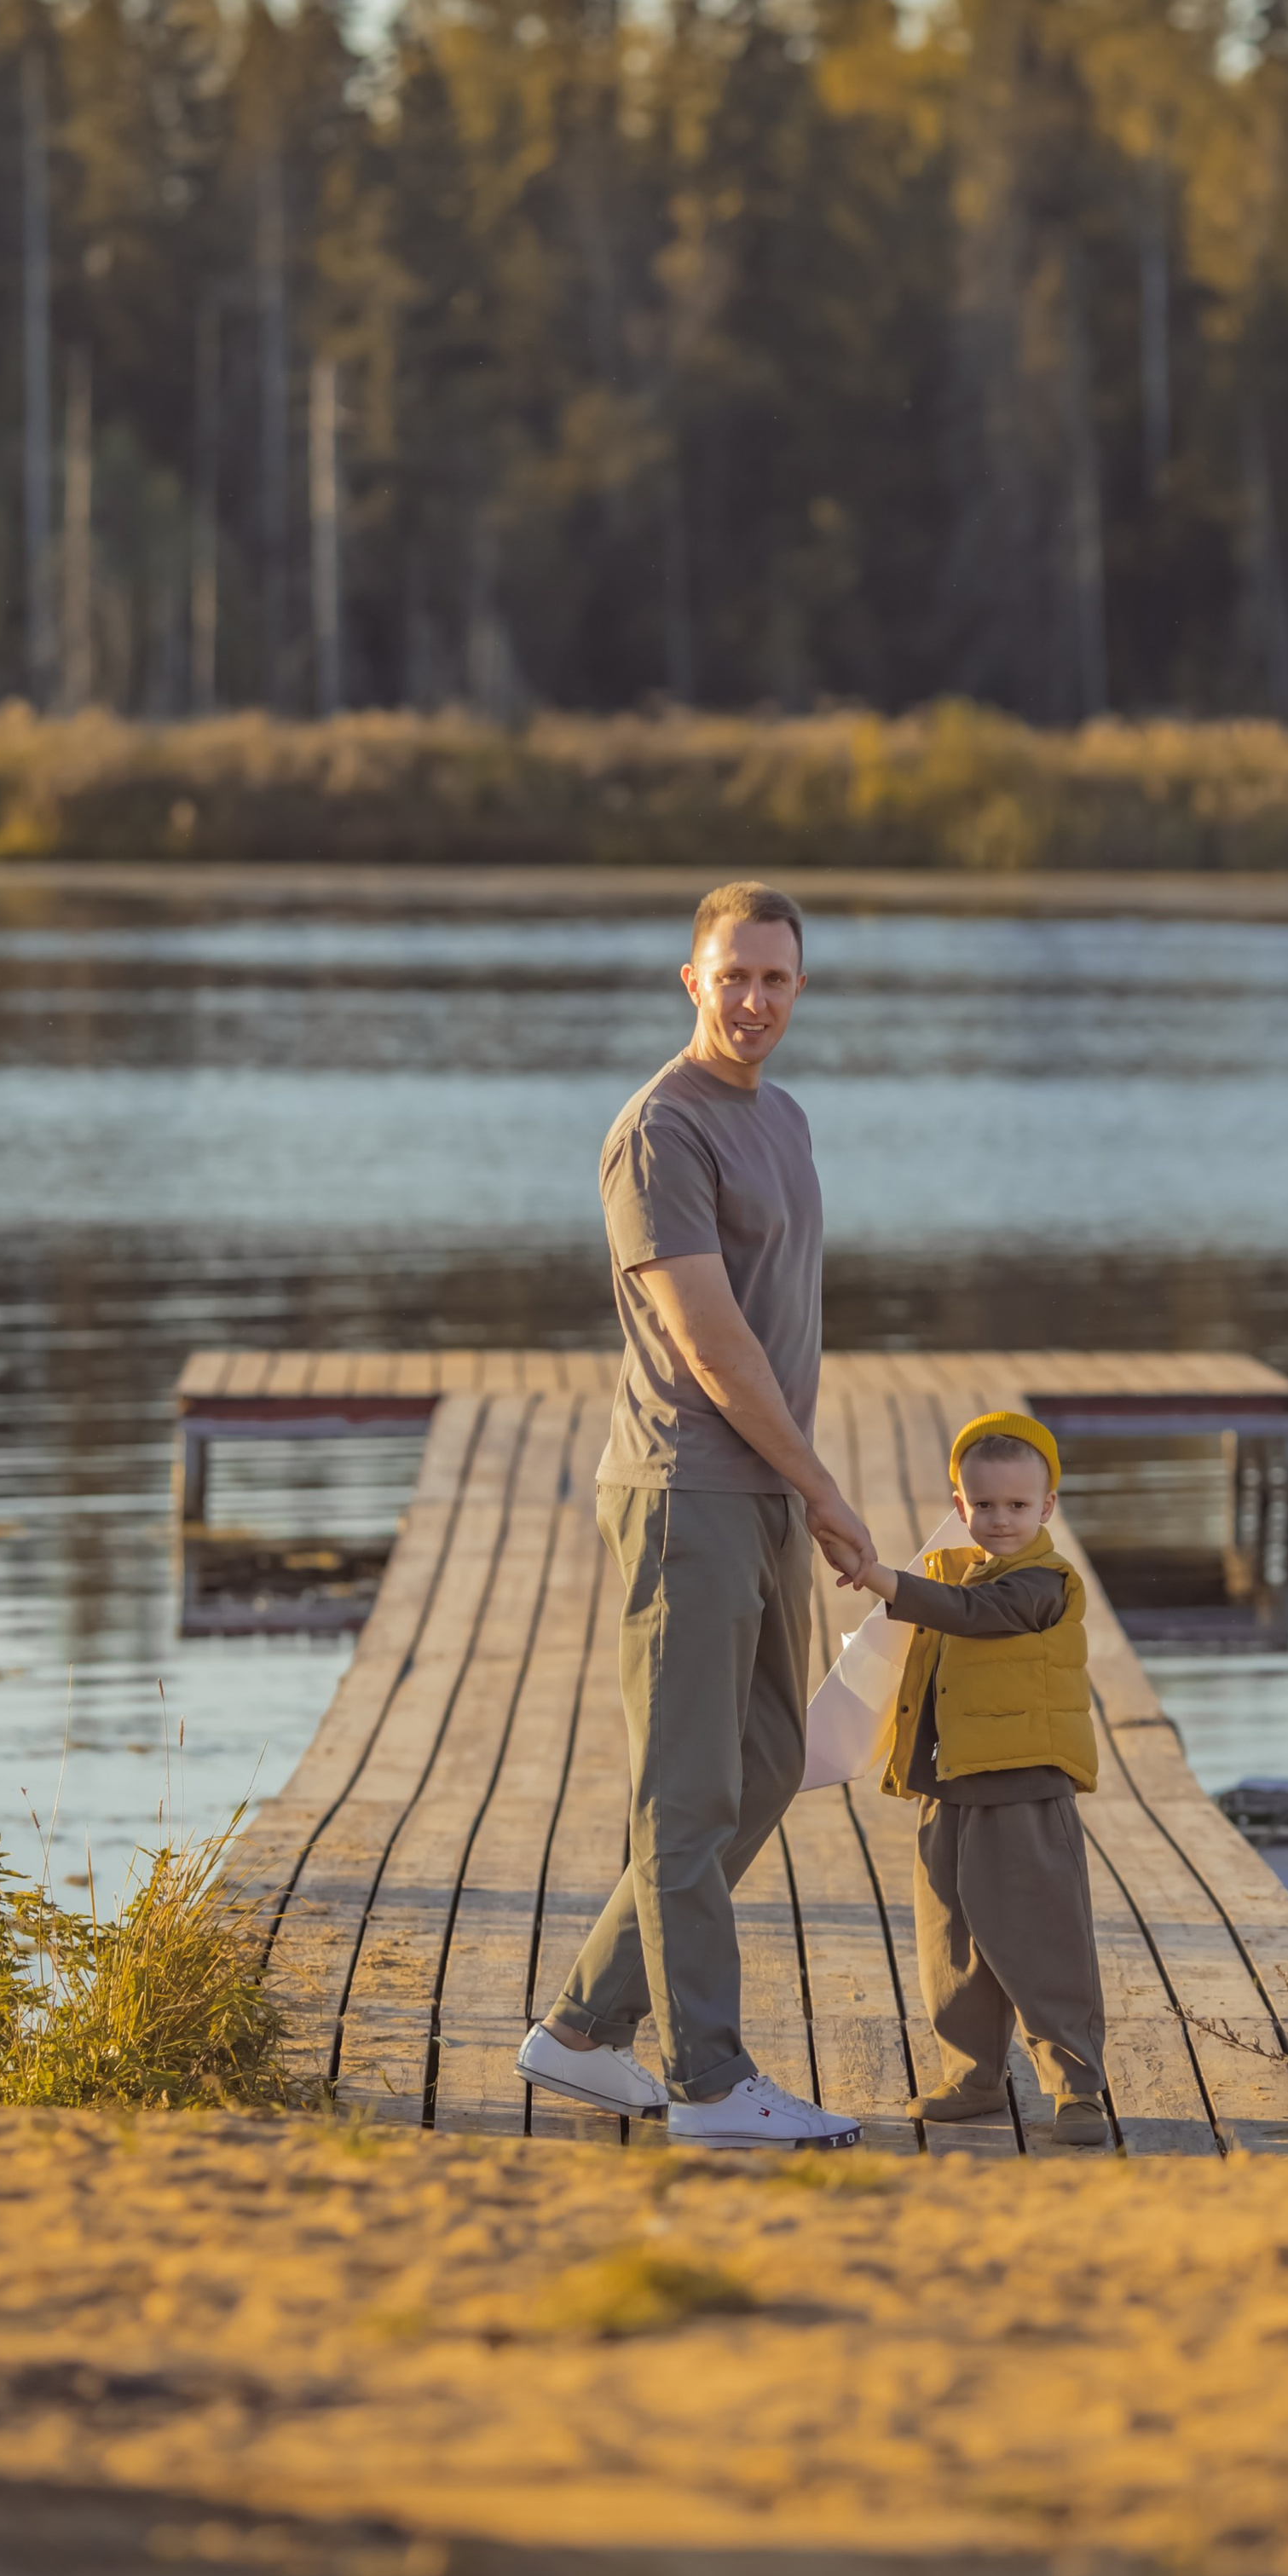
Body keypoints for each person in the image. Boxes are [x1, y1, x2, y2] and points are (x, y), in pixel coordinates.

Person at [517, 880, 875, 2149]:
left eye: (778, 979)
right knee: (685, 1798)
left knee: (772, 1764)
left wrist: (803, 1487)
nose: (757, 1000)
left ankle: (576, 2031)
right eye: (735, 976)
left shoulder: (782, 1116)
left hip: (765, 1493)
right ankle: (710, 2083)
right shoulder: (658, 1132)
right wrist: (827, 1490)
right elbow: (716, 1345)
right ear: (691, 979)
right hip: (685, 1494)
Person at [841, 1412, 1112, 2147]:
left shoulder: (1044, 1583)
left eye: (1017, 1506)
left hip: (1024, 1790)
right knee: (950, 1942)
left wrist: (879, 1578)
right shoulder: (948, 1571)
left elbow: (976, 1615)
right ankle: (973, 2075)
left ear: (1047, 1507)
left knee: (1042, 1937)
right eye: (983, 1504)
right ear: (959, 1505)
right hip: (949, 1786)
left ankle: (1077, 2087)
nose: (999, 1519)